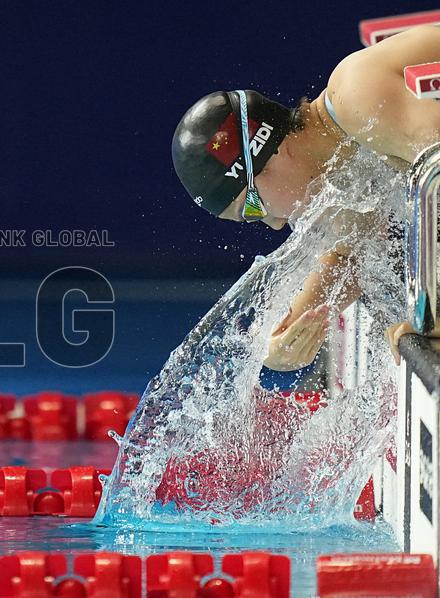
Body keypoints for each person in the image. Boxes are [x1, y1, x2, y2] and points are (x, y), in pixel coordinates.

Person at [171, 25, 440, 371]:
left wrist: (432, 316)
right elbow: (349, 257)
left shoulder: (356, 94)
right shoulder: (348, 154)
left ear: (268, 155)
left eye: (253, 209)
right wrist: (279, 344)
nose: (275, 223)